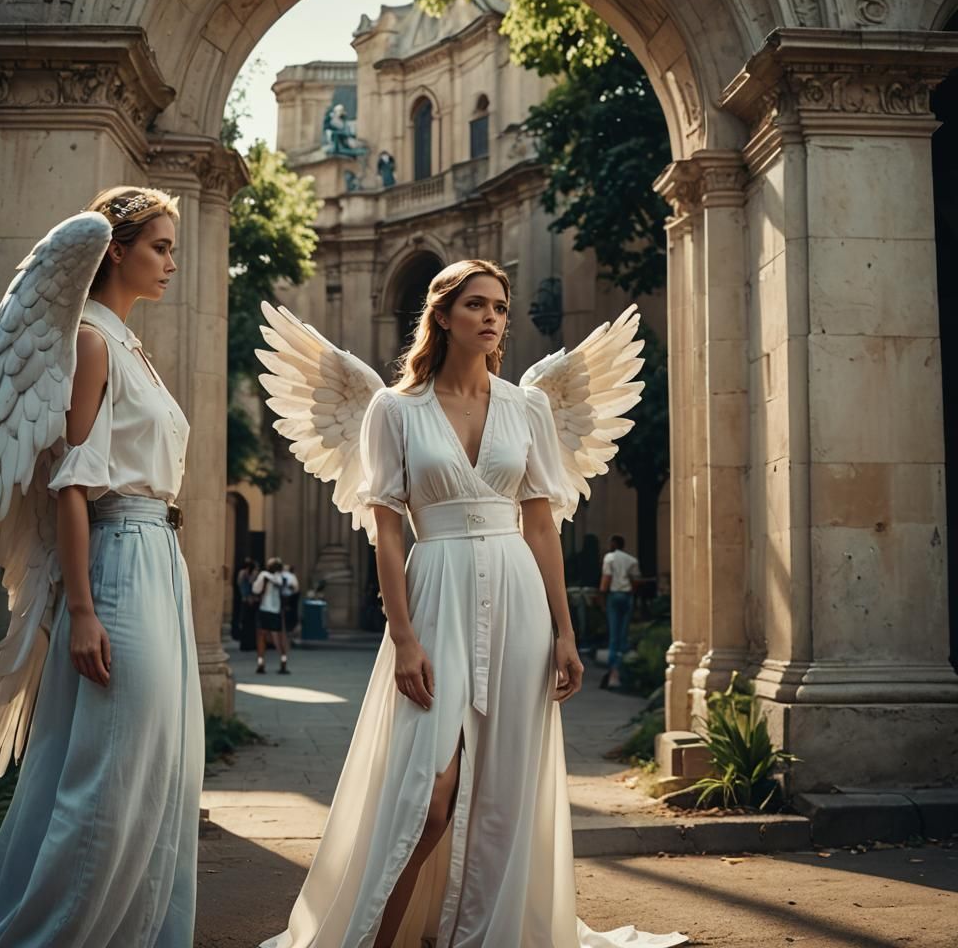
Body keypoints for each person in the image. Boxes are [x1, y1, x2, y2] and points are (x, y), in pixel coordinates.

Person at [255, 261, 687, 946]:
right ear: (444, 315)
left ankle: (480, 933)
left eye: (501, 307)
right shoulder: (393, 410)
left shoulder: (529, 406)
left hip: (519, 598)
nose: (492, 318)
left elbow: (541, 523)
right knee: (427, 795)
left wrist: (567, 634)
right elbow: (387, 529)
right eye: (476, 305)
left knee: (504, 788)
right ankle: (375, 936)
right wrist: (402, 636)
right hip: (435, 593)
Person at [0, 187, 203, 946]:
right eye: (159, 246)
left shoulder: (129, 343)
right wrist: (81, 609)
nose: (171, 262)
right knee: (110, 768)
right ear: (113, 249)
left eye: (174, 248)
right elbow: (73, 486)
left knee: (160, 767)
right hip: (116, 560)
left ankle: (136, 931)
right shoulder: (87, 338)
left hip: (160, 560)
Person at [599, 534, 642, 691]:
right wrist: (630, 591)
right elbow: (636, 580)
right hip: (626, 595)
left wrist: (602, 599)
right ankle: (621, 670)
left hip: (614, 595)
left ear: (614, 544)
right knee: (623, 635)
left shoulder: (609, 558)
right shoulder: (631, 560)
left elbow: (606, 580)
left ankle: (613, 673)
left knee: (614, 635)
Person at [252, 556, 286, 674]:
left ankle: (261, 661)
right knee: (279, 637)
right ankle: (283, 660)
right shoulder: (281, 578)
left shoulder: (264, 575)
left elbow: (256, 590)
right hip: (276, 611)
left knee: (261, 636)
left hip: (264, 609)